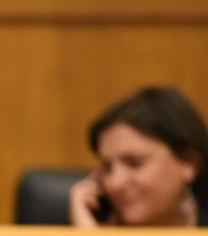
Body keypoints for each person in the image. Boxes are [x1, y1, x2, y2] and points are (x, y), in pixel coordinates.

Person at [69, 86, 208, 228]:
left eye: (134, 163)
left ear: (189, 161)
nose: (114, 183)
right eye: (107, 168)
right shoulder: (84, 226)